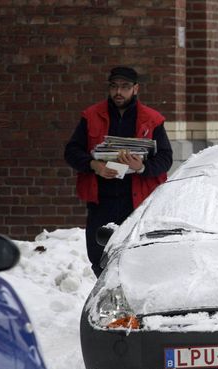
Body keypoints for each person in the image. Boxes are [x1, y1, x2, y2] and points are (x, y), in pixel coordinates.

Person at [64, 66, 173, 277]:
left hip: (137, 203)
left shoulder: (152, 119)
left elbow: (165, 159)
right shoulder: (91, 116)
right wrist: (94, 165)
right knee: (99, 257)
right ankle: (109, 302)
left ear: (136, 89)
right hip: (101, 200)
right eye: (114, 86)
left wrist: (141, 167)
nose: (118, 92)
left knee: (136, 259)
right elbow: (71, 152)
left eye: (124, 87)